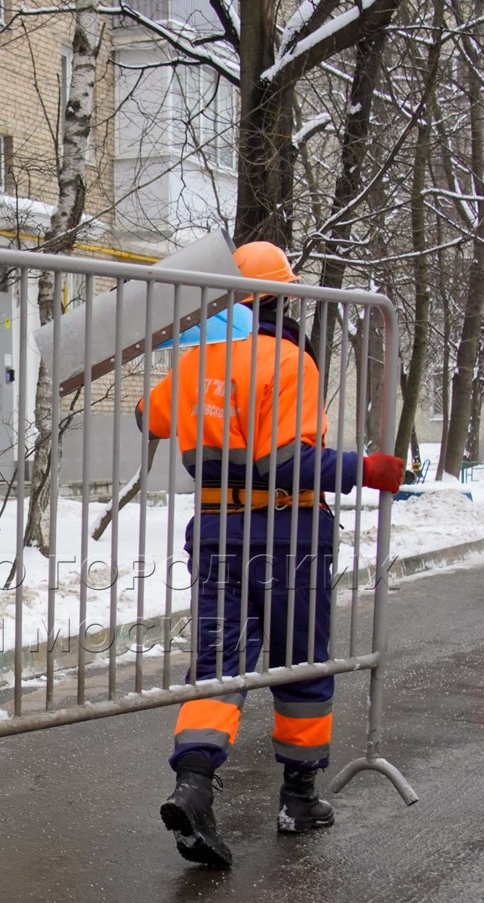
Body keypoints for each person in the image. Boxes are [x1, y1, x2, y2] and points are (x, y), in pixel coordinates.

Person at [137, 241, 406, 870]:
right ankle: (299, 798)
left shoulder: (196, 360)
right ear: (283, 296)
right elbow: (283, 459)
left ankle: (195, 785)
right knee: (300, 667)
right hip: (288, 536)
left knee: (218, 666)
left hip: (216, 533)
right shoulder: (291, 362)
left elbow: (149, 418)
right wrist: (363, 468)